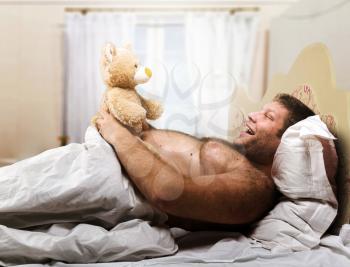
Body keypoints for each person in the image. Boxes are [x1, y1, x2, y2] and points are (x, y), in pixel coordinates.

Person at [95, 93, 316, 229]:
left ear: (287, 142)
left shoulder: (256, 187)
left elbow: (167, 192)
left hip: (110, 179)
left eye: (268, 117)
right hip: (109, 155)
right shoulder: (240, 158)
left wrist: (118, 134)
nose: (252, 115)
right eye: (260, 110)